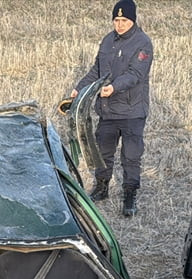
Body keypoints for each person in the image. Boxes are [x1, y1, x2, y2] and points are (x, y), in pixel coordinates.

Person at [71, 0, 153, 217]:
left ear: (132, 20)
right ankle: (102, 187)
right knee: (103, 151)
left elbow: (136, 75)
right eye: (116, 20)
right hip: (107, 110)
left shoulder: (143, 43)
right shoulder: (107, 41)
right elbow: (96, 71)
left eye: (124, 20)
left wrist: (113, 88)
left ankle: (129, 194)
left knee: (131, 155)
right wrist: (79, 89)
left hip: (132, 111)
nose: (119, 24)